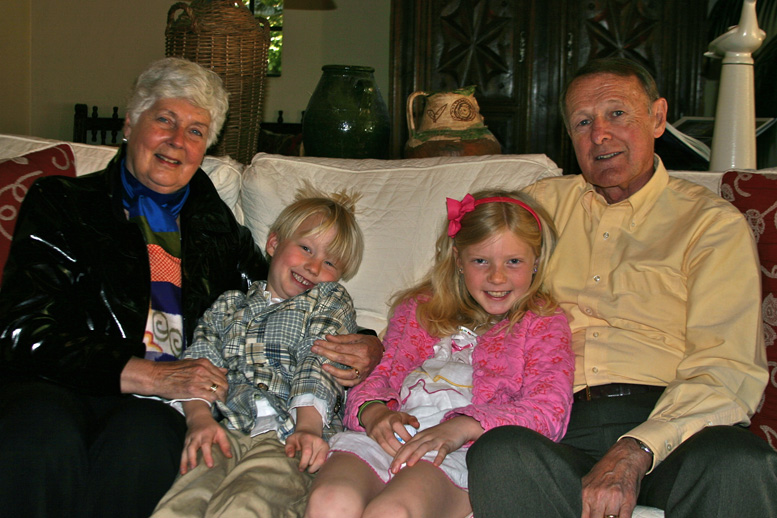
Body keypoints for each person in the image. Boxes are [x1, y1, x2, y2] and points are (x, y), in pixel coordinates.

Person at [0, 57, 381, 518]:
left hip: (158, 405)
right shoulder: (62, 203)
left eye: (196, 131)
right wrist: (153, 375)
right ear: (130, 123)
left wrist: (365, 342)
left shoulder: (212, 222)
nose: (178, 141)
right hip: (58, 384)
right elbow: (20, 330)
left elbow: (281, 294)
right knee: (41, 438)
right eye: (165, 120)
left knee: (145, 443)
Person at [467, 57, 777, 517]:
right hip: (555, 423)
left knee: (740, 461)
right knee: (499, 452)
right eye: (583, 122)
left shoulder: (709, 224)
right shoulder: (540, 207)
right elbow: (458, 285)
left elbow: (726, 367)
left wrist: (638, 447)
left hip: (674, 426)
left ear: (657, 118)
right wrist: (376, 346)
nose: (600, 135)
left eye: (617, 113)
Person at [305, 190, 575, 518]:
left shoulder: (543, 322)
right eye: (481, 261)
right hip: (389, 435)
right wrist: (373, 412)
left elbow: (549, 411)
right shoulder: (419, 308)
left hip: (461, 448)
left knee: (392, 512)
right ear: (458, 260)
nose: (497, 276)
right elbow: (380, 373)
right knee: (330, 501)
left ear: (537, 262)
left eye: (514, 261)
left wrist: (462, 427)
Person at [151, 187, 364, 517]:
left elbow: (320, 357)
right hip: (229, 427)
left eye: (330, 262)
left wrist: (308, 428)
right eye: (306, 248)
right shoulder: (228, 305)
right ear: (274, 243)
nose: (313, 266)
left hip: (290, 436)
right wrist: (199, 420)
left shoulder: (328, 299)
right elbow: (200, 361)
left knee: (247, 505)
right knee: (182, 502)